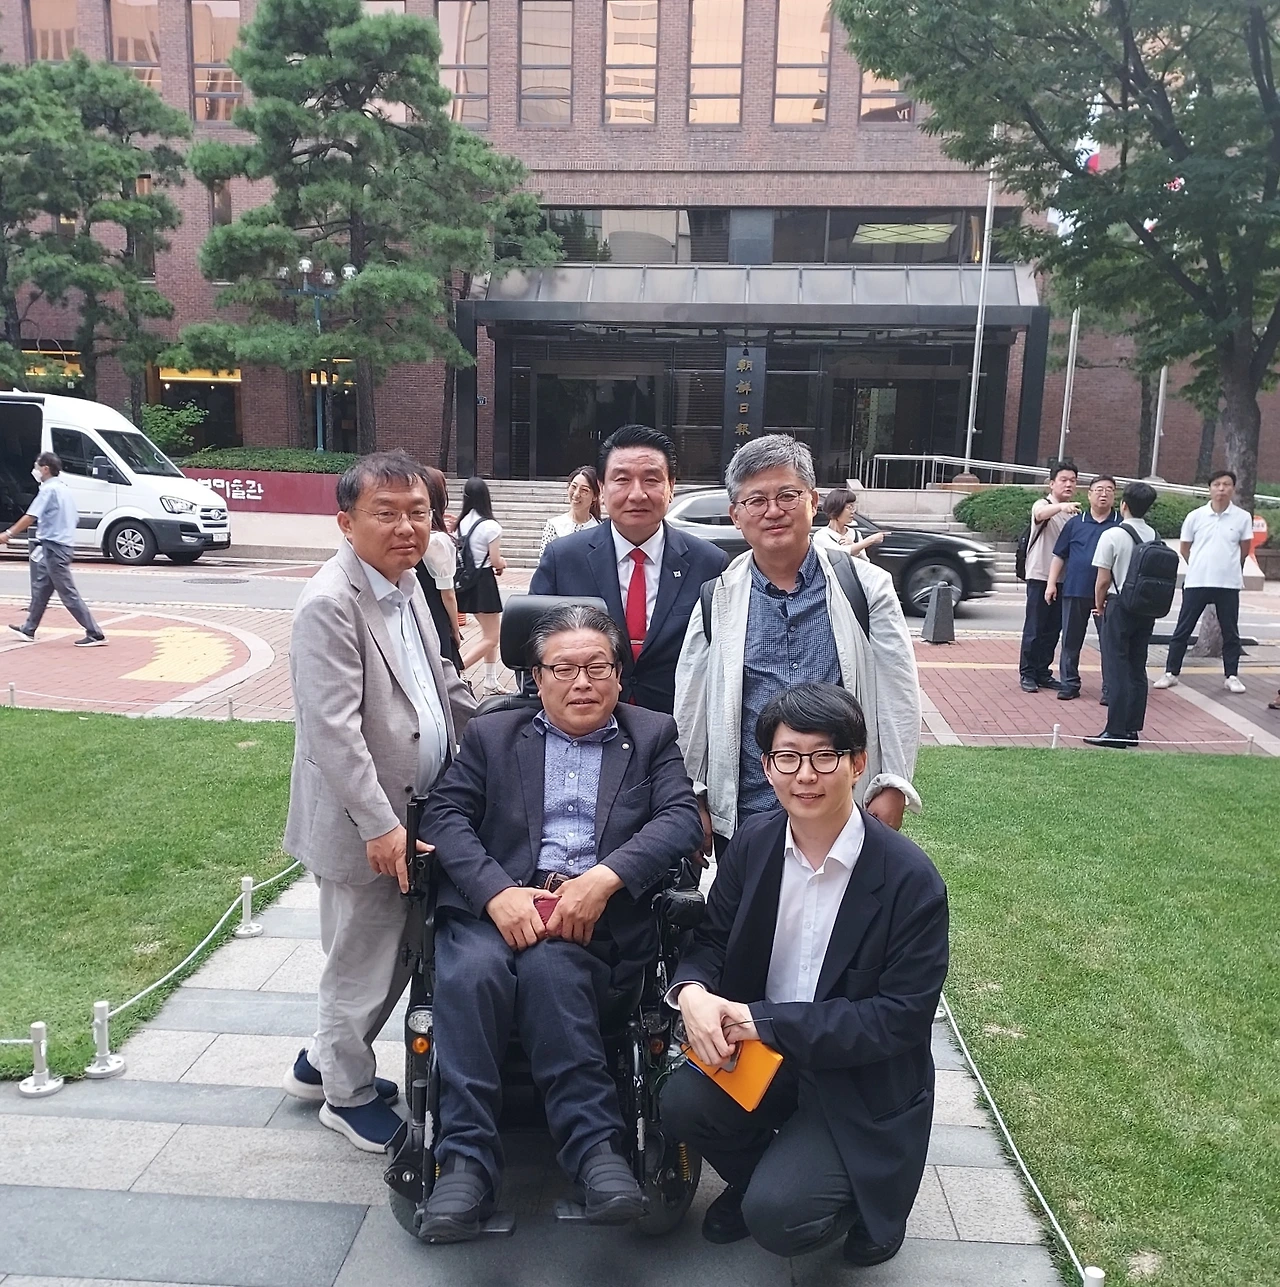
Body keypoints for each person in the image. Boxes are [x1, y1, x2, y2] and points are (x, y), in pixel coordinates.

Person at [416, 603, 703, 1241]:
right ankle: (464, 1163)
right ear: (536, 678)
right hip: (496, 912)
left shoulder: (651, 735)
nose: (582, 683)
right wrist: (496, 892)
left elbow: (681, 819)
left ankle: (597, 1153)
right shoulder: (493, 736)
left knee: (552, 970)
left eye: (597, 667)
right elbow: (444, 817)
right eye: (563, 669)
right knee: (474, 974)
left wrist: (603, 880)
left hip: (590, 925)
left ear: (619, 675)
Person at [661, 683, 947, 1268]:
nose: (806, 775)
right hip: (767, 1057)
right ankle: (759, 1178)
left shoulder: (910, 880)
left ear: (858, 764)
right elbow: (711, 941)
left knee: (780, 1217)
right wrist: (690, 992)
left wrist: (759, 1021)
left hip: (858, 1075)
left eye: (825, 756)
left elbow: (897, 1019)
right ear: (767, 767)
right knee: (680, 1100)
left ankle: (864, 1203)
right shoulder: (755, 844)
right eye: (788, 758)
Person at [281, 451, 475, 1151]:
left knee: (378, 954)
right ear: (345, 522)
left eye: (417, 512)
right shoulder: (329, 603)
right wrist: (381, 826)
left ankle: (319, 1065)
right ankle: (346, 1094)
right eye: (385, 513)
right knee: (364, 962)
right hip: (367, 824)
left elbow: (438, 680)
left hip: (413, 808)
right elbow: (333, 733)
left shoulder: (405, 581)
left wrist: (497, 729)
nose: (405, 527)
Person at [674, 434, 921, 854]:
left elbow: (898, 692)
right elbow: (690, 708)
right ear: (736, 515)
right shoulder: (717, 598)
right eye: (756, 500)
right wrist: (692, 795)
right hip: (747, 819)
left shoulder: (867, 587)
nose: (773, 511)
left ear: (813, 501)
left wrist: (893, 783)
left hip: (845, 813)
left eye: (787, 495)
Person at [529, 424, 728, 714]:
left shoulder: (709, 563)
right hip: (584, 724)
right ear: (601, 488)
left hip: (676, 725)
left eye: (651, 480)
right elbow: (534, 650)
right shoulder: (563, 559)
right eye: (622, 480)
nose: (637, 494)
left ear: (671, 487)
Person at [1153, 469, 1255, 695]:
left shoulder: (1242, 517)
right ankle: (1171, 672)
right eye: (1217, 484)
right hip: (1197, 581)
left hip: (1228, 583)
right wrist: (1199, 565)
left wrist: (1228, 566)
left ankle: (1231, 676)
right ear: (1209, 488)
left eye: (1226, 484)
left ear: (1233, 488)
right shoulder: (1195, 516)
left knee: (1230, 632)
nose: (1221, 489)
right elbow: (1185, 548)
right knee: (1183, 629)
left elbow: (1244, 549)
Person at [2, 451, 106, 647]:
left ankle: (95, 633)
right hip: (58, 545)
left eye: (36, 467)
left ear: (45, 469)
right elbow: (74, 518)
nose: (34, 470)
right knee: (42, 588)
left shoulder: (48, 490)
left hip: (54, 547)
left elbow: (31, 516)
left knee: (67, 593)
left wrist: (8, 534)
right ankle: (29, 628)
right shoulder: (63, 489)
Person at [1085, 481, 1159, 749]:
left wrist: (1099, 605)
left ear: (1123, 505)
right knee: (1137, 668)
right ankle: (1131, 729)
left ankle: (1114, 730)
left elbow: (1103, 580)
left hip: (1118, 605)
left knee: (1115, 667)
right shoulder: (1154, 535)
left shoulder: (1112, 535)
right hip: (1145, 608)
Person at [1045, 475, 1120, 702]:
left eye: (1109, 490)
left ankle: (1110, 689)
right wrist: (1051, 583)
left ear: (1115, 495)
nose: (1103, 494)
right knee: (1070, 640)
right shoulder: (1075, 523)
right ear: (1089, 494)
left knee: (1109, 643)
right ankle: (1069, 684)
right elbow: (1059, 555)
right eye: (1099, 489)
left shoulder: (1120, 524)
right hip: (1075, 589)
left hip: (1108, 594)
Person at [1019, 463, 1080, 693]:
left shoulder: (1073, 513)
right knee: (1035, 627)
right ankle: (1027, 673)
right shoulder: (1043, 504)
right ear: (1052, 483)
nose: (1068, 484)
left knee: (1053, 629)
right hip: (1040, 575)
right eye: (1063, 480)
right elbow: (1039, 515)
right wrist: (1061, 507)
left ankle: (1043, 672)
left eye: (1073, 480)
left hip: (1064, 579)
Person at [456, 476, 507, 694]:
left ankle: (490, 680)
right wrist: (503, 563)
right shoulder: (490, 526)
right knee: (492, 636)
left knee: (488, 633)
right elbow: (495, 561)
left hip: (467, 581)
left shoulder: (460, 524)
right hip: (484, 583)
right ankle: (456, 671)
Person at [414, 465, 465, 675]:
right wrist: (455, 629)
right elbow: (448, 593)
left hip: (414, 613)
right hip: (435, 616)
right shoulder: (438, 541)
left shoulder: (412, 535)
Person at [539, 466, 602, 556]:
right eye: (573, 487)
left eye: (584, 490)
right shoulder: (554, 526)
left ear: (595, 496)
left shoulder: (600, 529)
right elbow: (544, 561)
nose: (576, 494)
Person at [812, 487, 885, 561]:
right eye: (849, 507)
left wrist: (853, 545)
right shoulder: (821, 536)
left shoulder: (856, 534)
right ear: (837, 509)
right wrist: (871, 540)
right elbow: (841, 553)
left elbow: (865, 561)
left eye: (853, 507)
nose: (852, 511)